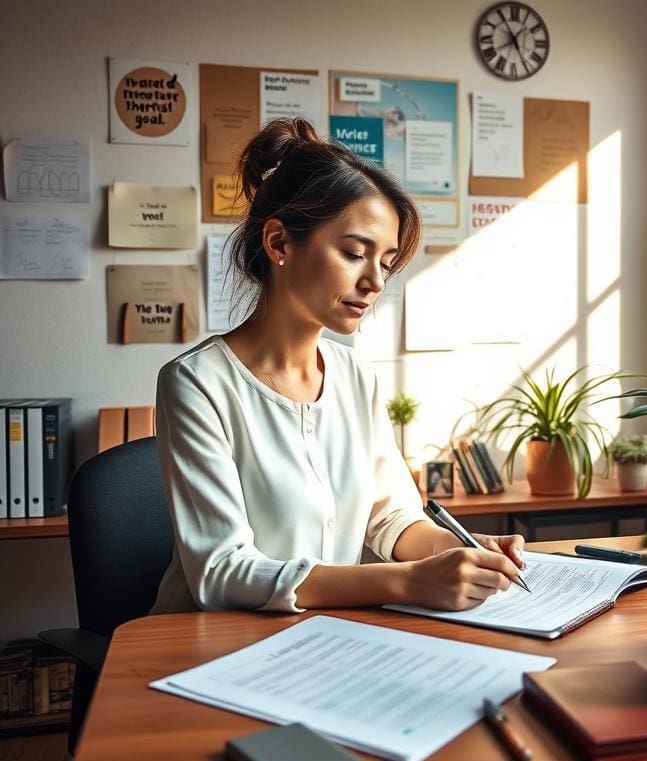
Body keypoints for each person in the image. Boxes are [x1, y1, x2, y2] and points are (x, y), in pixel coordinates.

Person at [151, 118, 524, 615]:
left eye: (386, 262)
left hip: (325, 640)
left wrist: (456, 550)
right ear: (280, 243)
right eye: (354, 253)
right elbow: (222, 570)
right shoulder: (197, 383)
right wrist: (406, 582)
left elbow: (391, 518)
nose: (374, 281)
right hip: (210, 645)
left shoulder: (355, 377)